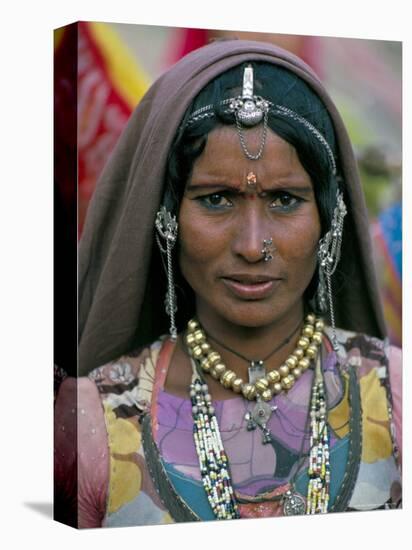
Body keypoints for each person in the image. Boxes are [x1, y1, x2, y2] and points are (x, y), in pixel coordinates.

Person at [54, 39, 402, 528]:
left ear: (331, 218)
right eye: (217, 199)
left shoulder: (397, 398)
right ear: (166, 218)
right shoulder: (88, 426)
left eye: (285, 199)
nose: (253, 245)